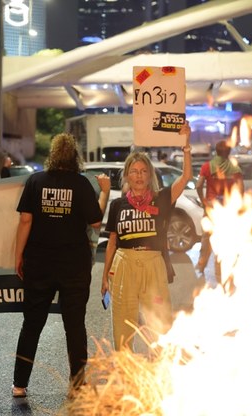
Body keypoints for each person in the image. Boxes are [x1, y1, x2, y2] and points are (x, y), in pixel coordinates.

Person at [12, 133, 110, 398]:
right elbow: (96, 223)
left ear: (53, 154)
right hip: (74, 267)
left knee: (32, 323)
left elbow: (25, 222)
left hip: (39, 264)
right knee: (75, 325)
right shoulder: (81, 185)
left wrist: (18, 255)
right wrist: (105, 193)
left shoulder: (35, 181)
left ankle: (20, 384)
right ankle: (77, 386)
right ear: (75, 156)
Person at [101, 123, 192, 351]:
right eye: (134, 171)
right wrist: (105, 277)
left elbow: (186, 176)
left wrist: (186, 146)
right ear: (127, 175)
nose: (139, 176)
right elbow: (113, 241)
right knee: (122, 325)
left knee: (158, 325)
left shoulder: (161, 198)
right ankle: (125, 374)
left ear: (149, 175)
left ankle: (157, 374)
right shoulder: (118, 204)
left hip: (154, 265)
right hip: (124, 265)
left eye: (143, 171)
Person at [194, 140, 244, 280]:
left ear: (216, 151)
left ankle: (201, 265)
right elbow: (241, 189)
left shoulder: (207, 167)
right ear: (228, 152)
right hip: (228, 208)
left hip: (211, 206)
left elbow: (198, 185)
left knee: (207, 238)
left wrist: (204, 201)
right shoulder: (235, 169)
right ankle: (219, 270)